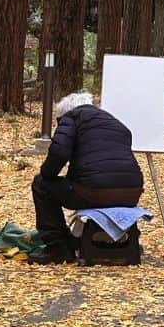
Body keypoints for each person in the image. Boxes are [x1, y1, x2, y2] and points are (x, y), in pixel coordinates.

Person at [30, 91, 143, 264]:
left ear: (63, 114)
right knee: (70, 185)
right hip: (131, 192)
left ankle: (57, 247)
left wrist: (47, 175)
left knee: (41, 185)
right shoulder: (115, 122)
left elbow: (58, 153)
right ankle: (78, 240)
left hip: (94, 191)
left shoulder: (71, 117)